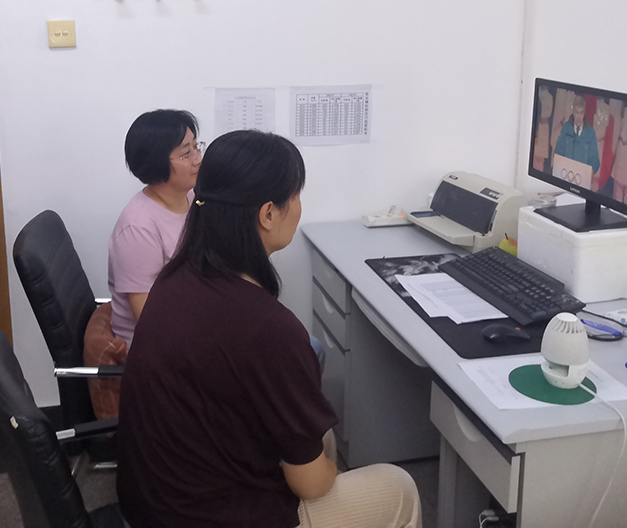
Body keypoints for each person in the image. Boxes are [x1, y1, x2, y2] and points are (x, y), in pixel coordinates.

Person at [116, 130, 422, 528]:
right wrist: (331, 472)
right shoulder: (268, 329)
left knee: (321, 440)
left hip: (154, 496)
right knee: (397, 487)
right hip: (204, 516)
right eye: (295, 196)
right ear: (268, 214)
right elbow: (312, 483)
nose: (298, 207)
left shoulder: (178, 276)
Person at [107, 109, 202, 346]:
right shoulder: (138, 228)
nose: (197, 159)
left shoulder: (191, 198)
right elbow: (150, 318)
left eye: (196, 147)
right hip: (155, 348)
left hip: (191, 319)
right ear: (156, 162)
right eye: (186, 154)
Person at [554, 95, 600, 176]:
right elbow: (558, 150)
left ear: (584, 112)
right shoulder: (566, 128)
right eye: (576, 113)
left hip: (582, 176)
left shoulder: (590, 133)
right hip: (565, 174)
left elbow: (594, 159)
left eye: (581, 113)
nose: (579, 117)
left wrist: (591, 171)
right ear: (573, 111)